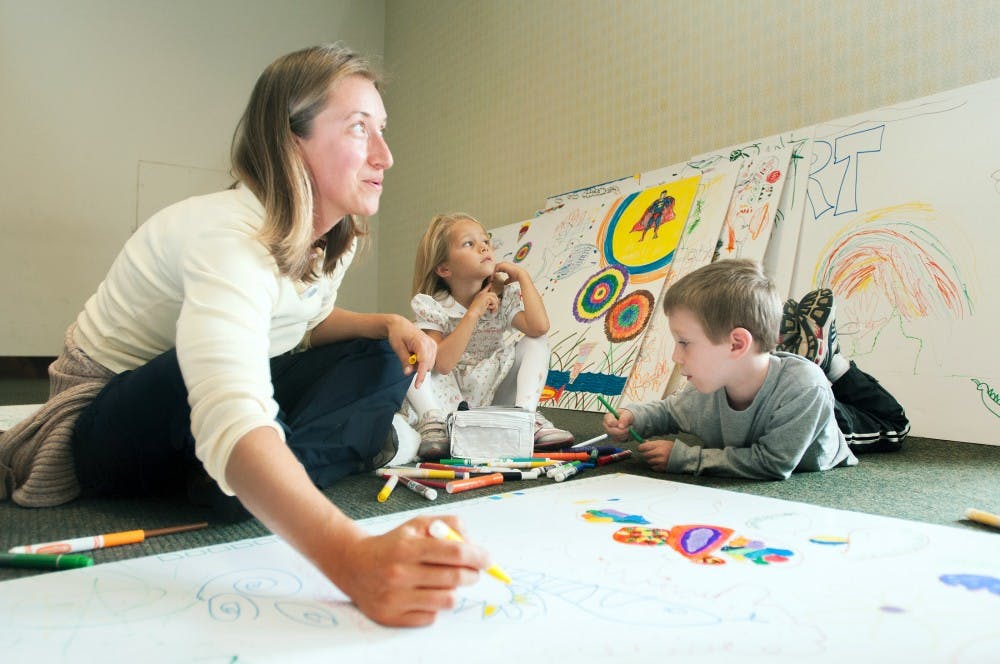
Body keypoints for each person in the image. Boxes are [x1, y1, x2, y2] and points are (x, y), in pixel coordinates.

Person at [0, 43, 492, 627]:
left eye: (381, 129)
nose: (386, 154)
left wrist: (386, 324)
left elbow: (300, 323)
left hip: (222, 384)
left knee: (380, 359)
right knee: (207, 377)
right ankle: (251, 470)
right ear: (290, 142)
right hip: (102, 414)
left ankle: (240, 477)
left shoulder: (336, 237)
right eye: (360, 129)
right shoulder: (229, 234)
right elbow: (225, 395)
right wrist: (354, 560)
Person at [602, 259, 909, 480]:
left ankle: (834, 366)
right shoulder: (703, 390)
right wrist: (634, 417)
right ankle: (809, 355)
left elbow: (773, 462)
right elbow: (670, 412)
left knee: (895, 425)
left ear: (736, 344)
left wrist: (686, 458)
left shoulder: (804, 390)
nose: (675, 356)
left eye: (684, 342)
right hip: (781, 387)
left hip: (822, 426)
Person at [404, 213, 573, 459]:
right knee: (411, 355)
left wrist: (523, 278)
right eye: (468, 243)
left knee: (535, 342)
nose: (483, 246)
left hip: (491, 394)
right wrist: (473, 313)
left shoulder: (501, 299)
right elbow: (441, 363)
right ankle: (433, 423)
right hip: (448, 399)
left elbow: (539, 327)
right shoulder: (435, 306)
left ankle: (525, 418)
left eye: (485, 240)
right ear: (444, 268)